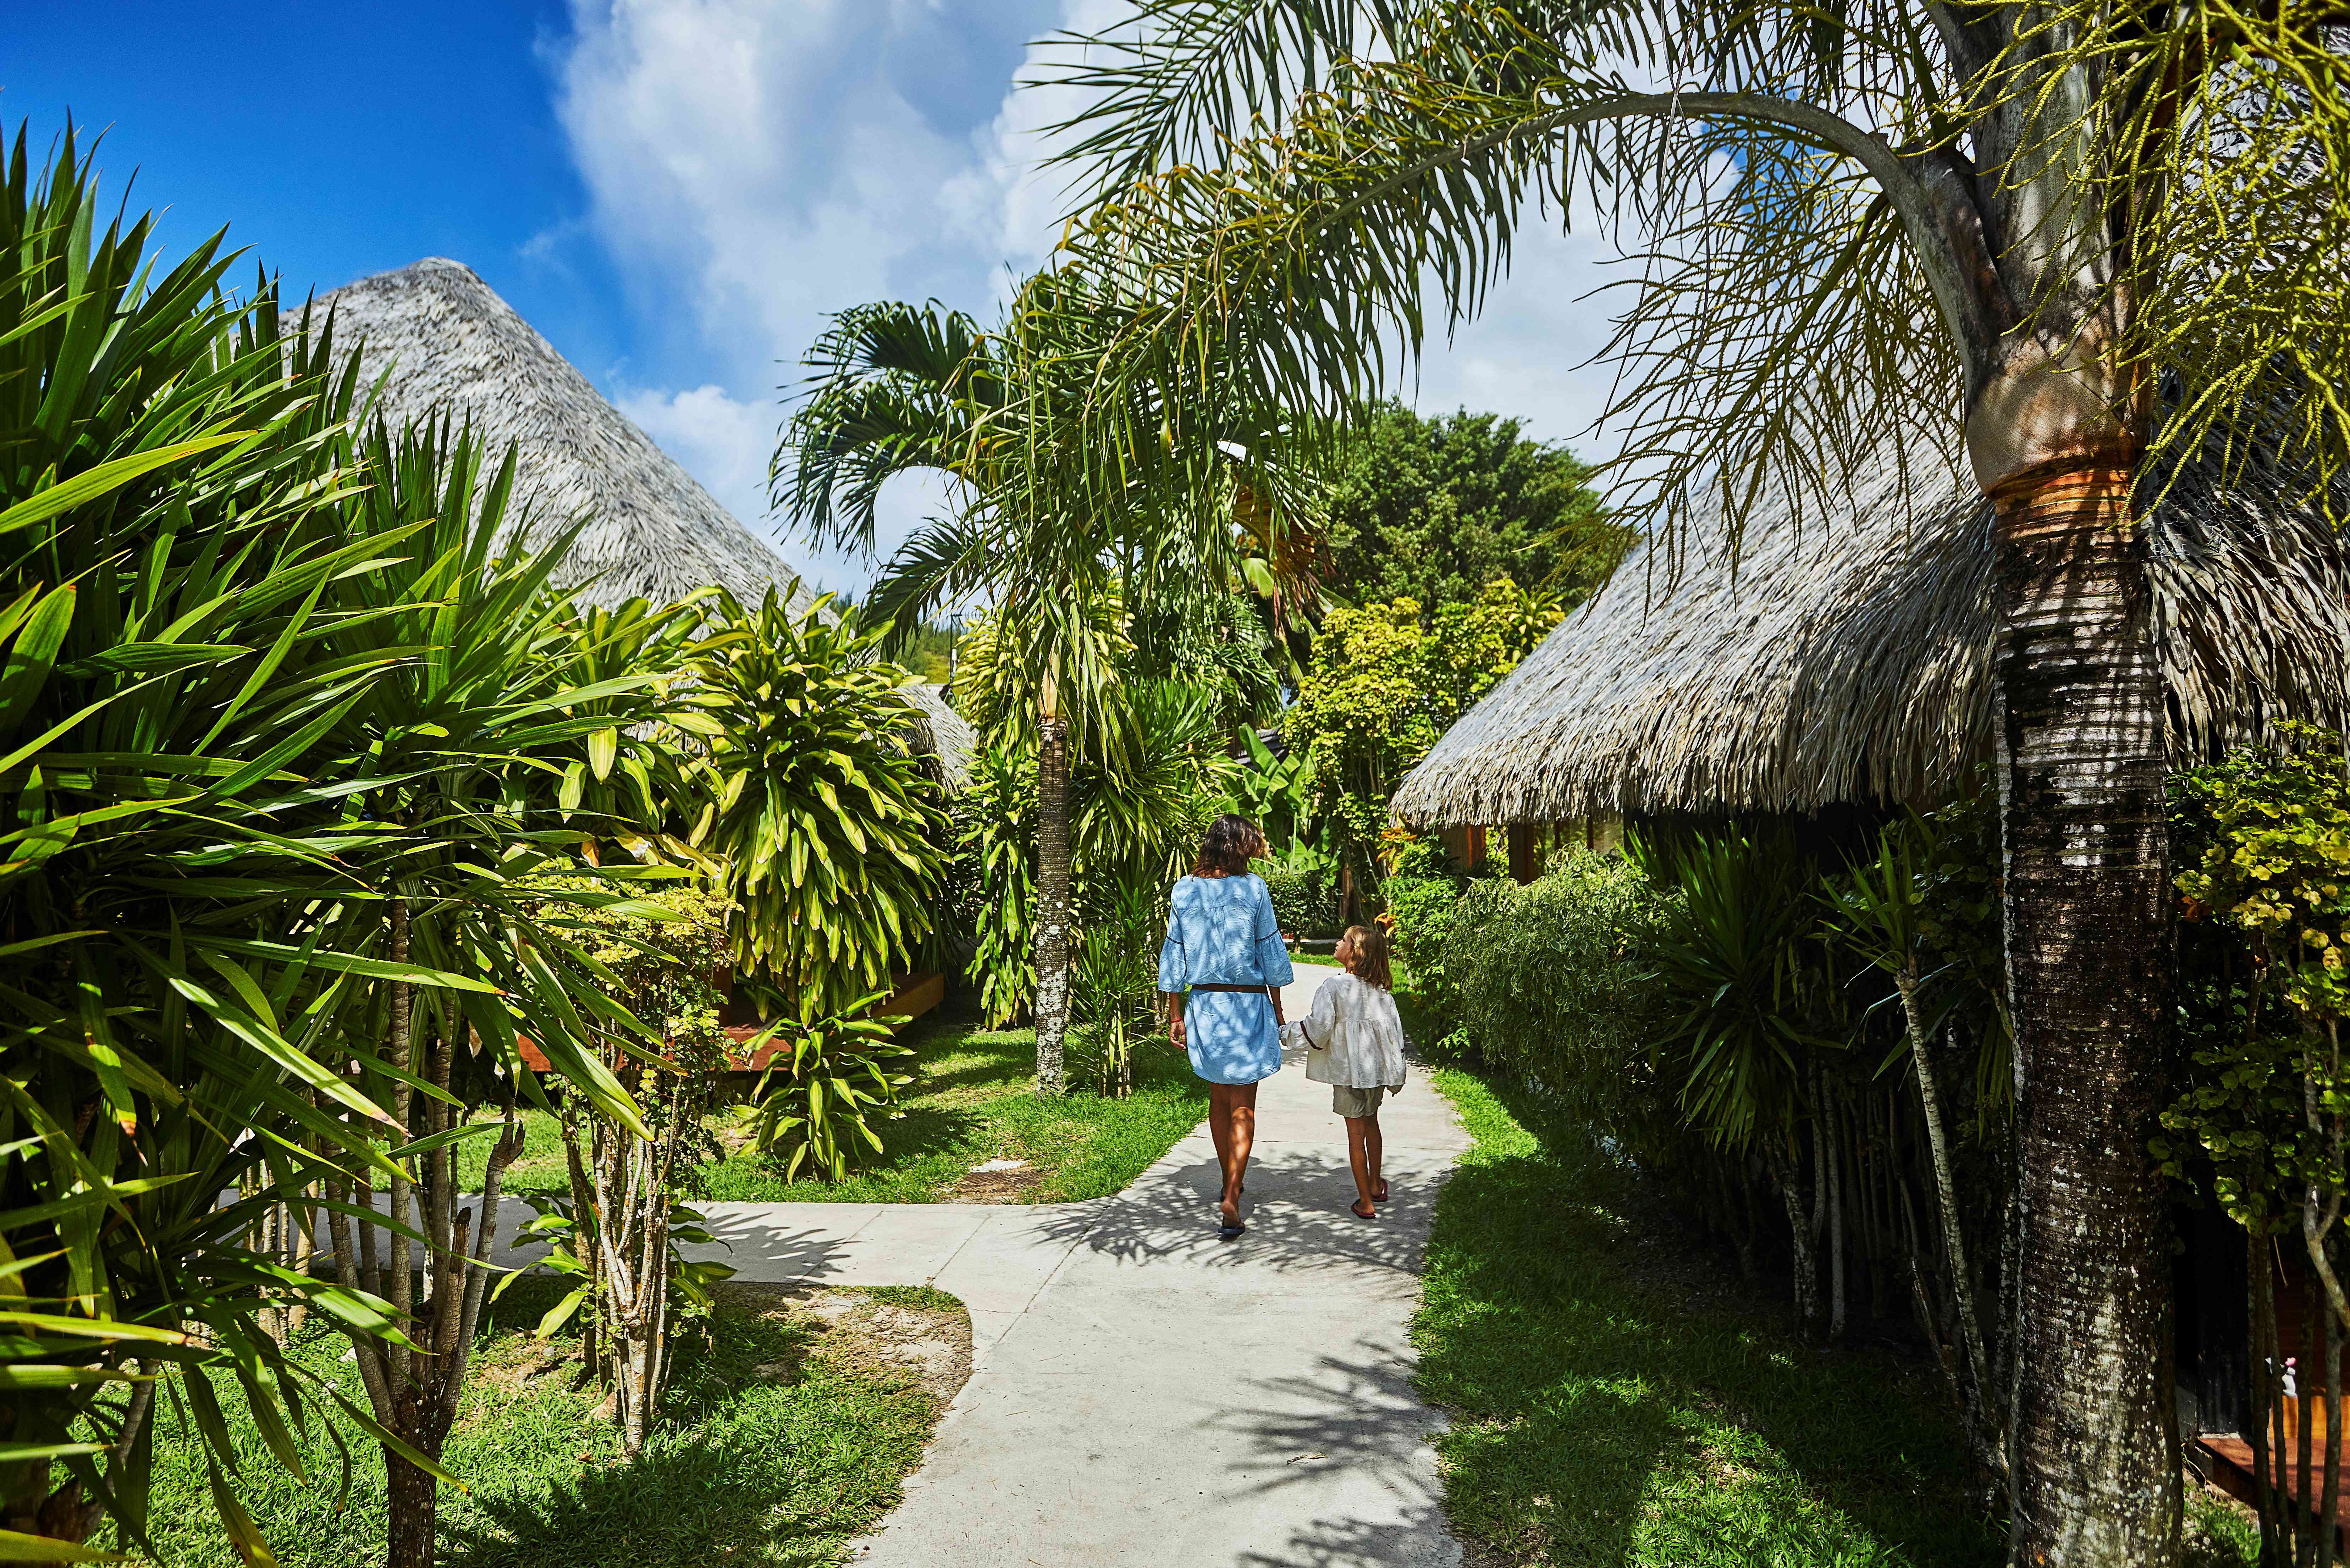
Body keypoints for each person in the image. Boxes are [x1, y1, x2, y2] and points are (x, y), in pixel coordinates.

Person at [1159, 814, 1292, 1239]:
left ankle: (1226, 1180)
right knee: (1244, 1104)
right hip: (1247, 1004)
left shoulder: (1185, 888)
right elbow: (1269, 950)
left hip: (1206, 1004)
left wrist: (1175, 1013)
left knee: (1219, 1099)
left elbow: (1174, 953)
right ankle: (1233, 1191)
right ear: (1239, 846)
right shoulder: (1253, 888)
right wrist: (1278, 1007)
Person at [1285, 924, 1408, 1220]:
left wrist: (1288, 1033)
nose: (1338, 943)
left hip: (1347, 1072)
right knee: (1372, 1124)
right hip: (1374, 1073)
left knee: (1355, 1136)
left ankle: (1365, 1202)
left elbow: (1319, 1028)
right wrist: (1396, 1072)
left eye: (1344, 940)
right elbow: (1396, 1036)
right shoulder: (1383, 994)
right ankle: (1377, 1185)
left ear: (1356, 953)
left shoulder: (1334, 987)